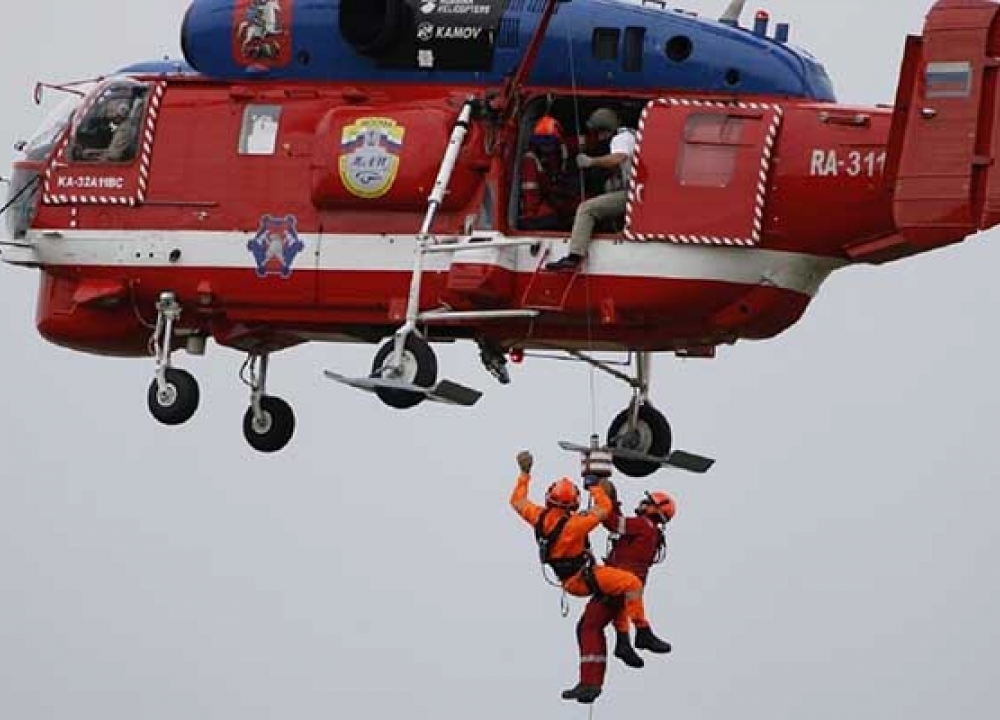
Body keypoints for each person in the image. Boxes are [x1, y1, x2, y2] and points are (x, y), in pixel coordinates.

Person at [510, 451, 657, 702]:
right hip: (583, 578)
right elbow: (604, 510)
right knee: (630, 583)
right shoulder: (575, 525)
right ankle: (642, 631)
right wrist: (594, 486)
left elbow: (517, 501)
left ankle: (623, 642)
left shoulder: (539, 517)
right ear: (573, 503)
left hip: (574, 579)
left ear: (549, 499)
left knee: (613, 596)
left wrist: (524, 473)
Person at [562, 484, 676, 704]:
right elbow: (621, 524)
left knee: (588, 627)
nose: (643, 504)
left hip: (617, 582)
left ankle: (590, 683)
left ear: (657, 509)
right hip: (622, 584)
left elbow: (613, 522)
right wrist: (613, 499)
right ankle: (623, 644)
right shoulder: (650, 530)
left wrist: (602, 495)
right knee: (607, 616)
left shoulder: (643, 525)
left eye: (648, 502)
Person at [546, 107, 636, 272]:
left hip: (632, 194)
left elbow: (618, 158)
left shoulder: (621, 139)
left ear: (605, 129)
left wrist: (590, 161)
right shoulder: (632, 135)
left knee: (587, 209)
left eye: (598, 133)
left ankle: (574, 257)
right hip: (638, 192)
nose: (599, 138)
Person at [519, 115, 578, 231]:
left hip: (556, 195)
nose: (546, 146)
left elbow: (576, 142)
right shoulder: (530, 160)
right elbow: (531, 195)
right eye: (542, 142)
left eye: (549, 142)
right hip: (541, 207)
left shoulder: (557, 150)